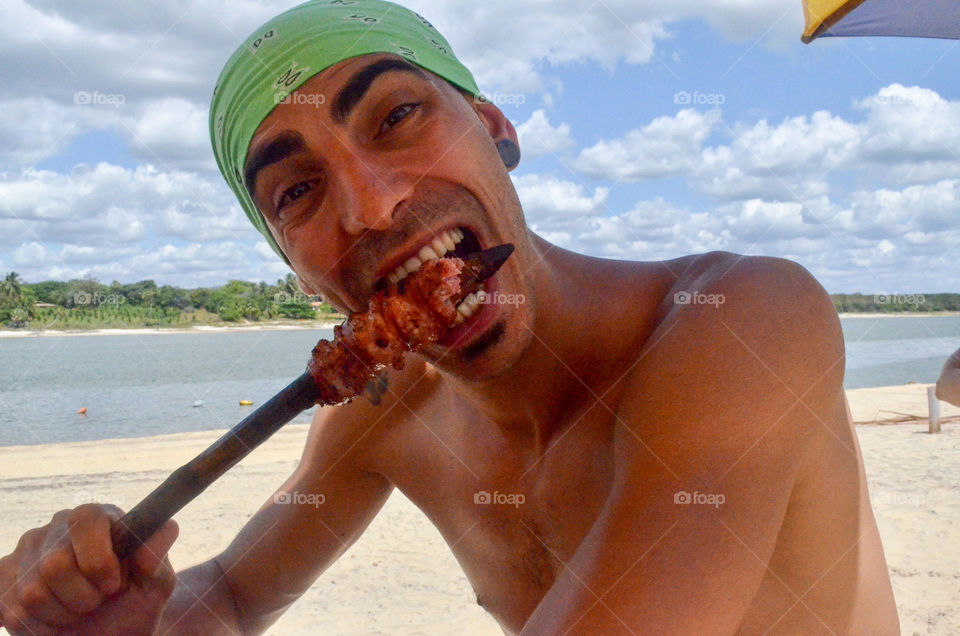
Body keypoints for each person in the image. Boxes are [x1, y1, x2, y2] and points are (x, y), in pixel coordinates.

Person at [0, 1, 900, 633]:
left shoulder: (743, 321)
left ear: (495, 125)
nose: (372, 206)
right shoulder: (386, 408)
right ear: (293, 268)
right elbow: (233, 597)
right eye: (298, 191)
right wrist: (135, 621)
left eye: (396, 116)